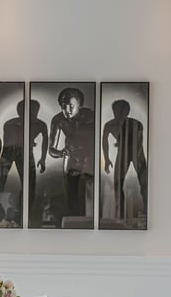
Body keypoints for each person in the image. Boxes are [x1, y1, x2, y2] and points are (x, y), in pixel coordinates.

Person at [48, 87, 95, 220]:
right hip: (71, 158)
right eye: (63, 106)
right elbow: (51, 149)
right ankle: (73, 223)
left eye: (71, 106)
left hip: (90, 158)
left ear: (79, 104)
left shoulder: (92, 116)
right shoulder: (58, 120)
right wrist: (60, 153)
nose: (67, 110)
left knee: (90, 193)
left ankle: (90, 221)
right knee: (71, 196)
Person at [102, 99, 147, 219]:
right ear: (113, 111)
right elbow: (104, 141)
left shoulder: (136, 124)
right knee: (117, 183)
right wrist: (106, 159)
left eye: (122, 112)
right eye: (116, 111)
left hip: (137, 153)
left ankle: (146, 209)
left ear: (127, 112)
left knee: (144, 182)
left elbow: (138, 141)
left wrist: (122, 142)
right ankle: (120, 213)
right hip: (122, 154)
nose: (119, 114)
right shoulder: (109, 125)